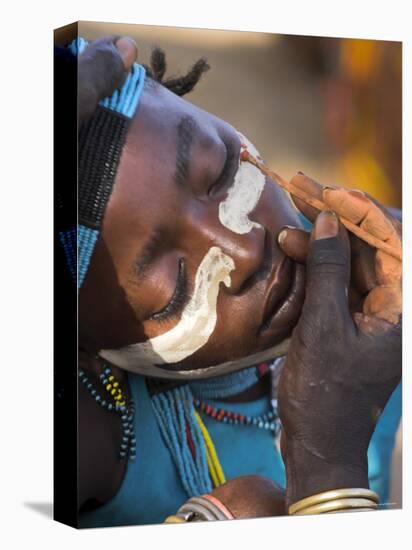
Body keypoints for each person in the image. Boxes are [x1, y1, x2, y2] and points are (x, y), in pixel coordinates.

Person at [57, 36, 401, 527]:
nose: (243, 250)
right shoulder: (88, 435)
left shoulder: (383, 260)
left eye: (220, 172)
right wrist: (326, 467)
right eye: (177, 287)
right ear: (81, 349)